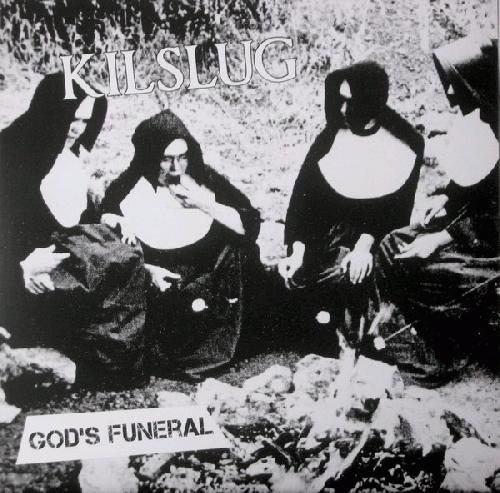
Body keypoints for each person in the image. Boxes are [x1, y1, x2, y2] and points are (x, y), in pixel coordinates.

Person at [0, 73, 147, 388]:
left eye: (85, 121)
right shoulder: (11, 153)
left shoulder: (67, 151)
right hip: (18, 278)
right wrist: (22, 266)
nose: (77, 128)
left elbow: (71, 211)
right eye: (71, 118)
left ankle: (112, 360)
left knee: (128, 257)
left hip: (56, 256)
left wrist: (107, 214)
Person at [100, 110, 262, 380]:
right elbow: (105, 231)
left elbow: (250, 225)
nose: (176, 168)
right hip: (165, 285)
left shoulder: (206, 179)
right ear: (149, 157)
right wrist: (117, 221)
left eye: (183, 157)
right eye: (166, 159)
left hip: (212, 279)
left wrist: (203, 203)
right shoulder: (125, 187)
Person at [376, 34, 498, 382]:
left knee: (433, 270)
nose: (450, 93)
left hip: (490, 245)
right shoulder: (490, 119)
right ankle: (414, 346)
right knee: (393, 244)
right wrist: (448, 197)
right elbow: (487, 180)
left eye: (457, 83)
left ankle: (446, 354)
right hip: (475, 229)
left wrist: (443, 237)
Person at [279, 61, 424, 350]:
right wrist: (298, 249)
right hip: (327, 237)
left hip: (375, 240)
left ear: (370, 103)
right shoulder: (329, 138)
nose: (343, 110)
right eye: (340, 101)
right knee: (292, 280)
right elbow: (303, 202)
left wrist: (364, 245)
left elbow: (396, 213)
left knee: (352, 281)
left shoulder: (404, 145)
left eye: (351, 102)